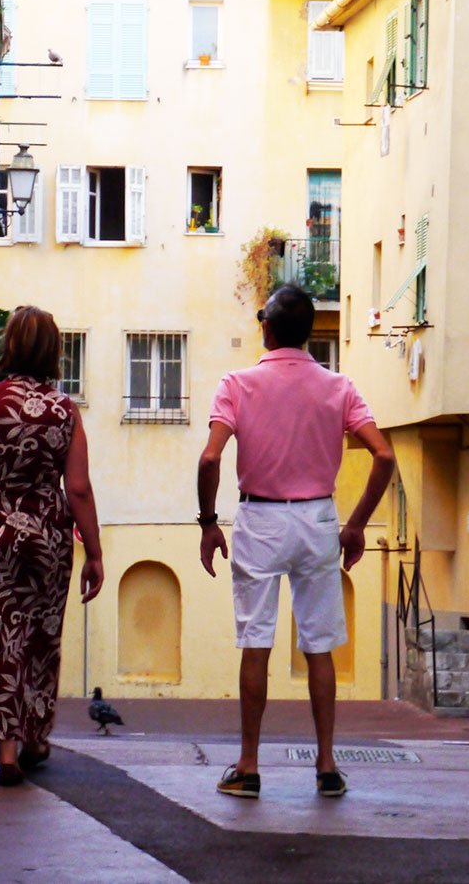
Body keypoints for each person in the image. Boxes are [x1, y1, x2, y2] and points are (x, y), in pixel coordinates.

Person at [196, 285, 395, 798]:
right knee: (320, 646)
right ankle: (327, 765)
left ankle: (248, 766)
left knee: (255, 643)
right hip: (317, 519)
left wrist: (208, 522)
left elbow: (210, 459)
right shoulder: (339, 387)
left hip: (260, 518)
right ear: (308, 331)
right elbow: (384, 456)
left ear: (266, 328)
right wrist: (355, 526)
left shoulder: (237, 384)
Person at [0, 305, 105, 787]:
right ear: (53, 352)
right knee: (37, 636)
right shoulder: (64, 410)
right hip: (48, 537)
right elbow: (77, 487)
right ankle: (36, 736)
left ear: (9, 345)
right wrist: (94, 552)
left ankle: (7, 754)